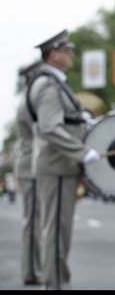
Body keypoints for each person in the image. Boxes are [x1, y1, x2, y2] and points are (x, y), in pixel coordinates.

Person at [26, 30, 102, 290]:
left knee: (59, 232)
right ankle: (56, 285)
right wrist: (82, 152)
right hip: (57, 167)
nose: (71, 54)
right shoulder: (48, 84)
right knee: (57, 234)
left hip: (60, 167)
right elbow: (50, 127)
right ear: (54, 54)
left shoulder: (53, 82)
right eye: (67, 50)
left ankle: (57, 283)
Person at [13, 60, 44, 286]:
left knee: (35, 220)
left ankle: (34, 268)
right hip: (32, 167)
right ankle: (31, 270)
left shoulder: (29, 100)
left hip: (33, 165)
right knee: (33, 221)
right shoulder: (30, 102)